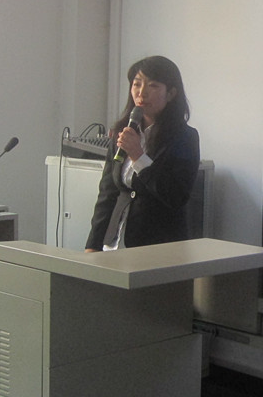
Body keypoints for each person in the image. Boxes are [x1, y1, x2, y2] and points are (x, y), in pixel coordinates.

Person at [85, 56, 200, 252]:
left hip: (159, 247)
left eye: (153, 85)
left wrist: (138, 156)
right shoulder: (123, 132)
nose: (141, 92)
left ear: (171, 93)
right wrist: (93, 245)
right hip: (115, 242)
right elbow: (107, 193)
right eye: (136, 84)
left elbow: (176, 195)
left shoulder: (184, 137)